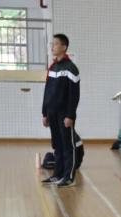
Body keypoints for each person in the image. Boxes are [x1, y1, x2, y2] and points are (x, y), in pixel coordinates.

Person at [41, 33, 81, 188]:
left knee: (67, 145)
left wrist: (70, 115)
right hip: (52, 113)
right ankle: (57, 174)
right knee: (57, 144)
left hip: (65, 114)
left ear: (64, 47)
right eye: (52, 44)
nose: (53, 46)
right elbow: (47, 91)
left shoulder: (71, 68)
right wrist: (45, 113)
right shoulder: (53, 67)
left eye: (56, 44)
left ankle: (69, 177)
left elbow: (74, 95)